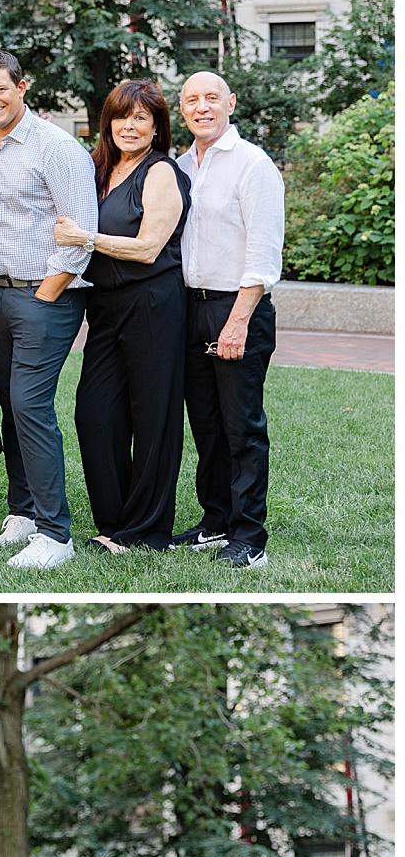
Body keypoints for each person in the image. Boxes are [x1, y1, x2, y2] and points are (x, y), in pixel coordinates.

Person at [0, 48, 98, 570]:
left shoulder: (57, 148)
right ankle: (21, 511)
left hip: (49, 294)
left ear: (22, 87)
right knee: (10, 406)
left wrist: (47, 291)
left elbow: (80, 231)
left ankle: (54, 532)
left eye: (0, 88)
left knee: (30, 405)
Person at [52, 79, 192, 553]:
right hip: (106, 308)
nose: (128, 126)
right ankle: (113, 526)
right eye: (120, 117)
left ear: (156, 128)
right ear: (106, 123)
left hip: (153, 302)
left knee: (153, 418)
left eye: (140, 118)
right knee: (95, 414)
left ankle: (147, 532)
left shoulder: (160, 173)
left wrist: (86, 238)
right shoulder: (99, 169)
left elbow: (150, 247)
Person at [173, 71, 284, 569]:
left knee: (242, 427)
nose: (202, 107)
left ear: (231, 103)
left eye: (211, 98)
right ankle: (215, 522)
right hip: (190, 308)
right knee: (207, 426)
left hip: (236, 307)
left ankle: (248, 536)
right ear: (182, 110)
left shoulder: (252, 165)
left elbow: (263, 256)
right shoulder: (180, 166)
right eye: (192, 100)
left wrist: (237, 322)